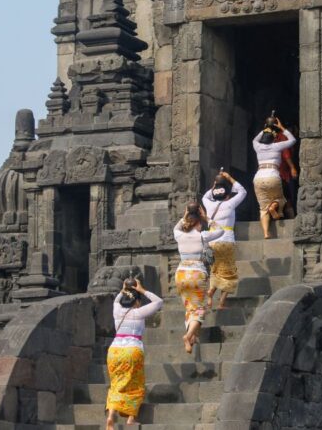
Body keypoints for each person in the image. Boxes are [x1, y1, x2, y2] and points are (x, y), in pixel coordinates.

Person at [105, 278, 163, 429]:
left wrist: (123, 289)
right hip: (132, 350)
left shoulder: (116, 310)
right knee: (135, 384)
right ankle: (130, 418)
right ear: (136, 301)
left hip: (114, 351)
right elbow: (158, 302)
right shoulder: (138, 313)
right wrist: (142, 290)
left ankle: (111, 416)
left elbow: (117, 300)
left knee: (116, 384)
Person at [174, 202, 224, 353]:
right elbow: (221, 231)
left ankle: (192, 339)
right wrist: (207, 218)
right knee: (200, 309)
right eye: (200, 223)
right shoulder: (203, 236)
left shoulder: (179, 235)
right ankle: (188, 335)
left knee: (190, 307)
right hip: (197, 274)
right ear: (198, 223)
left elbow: (176, 227)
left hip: (181, 274)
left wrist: (185, 215)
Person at [202, 170, 247, 310]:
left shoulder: (208, 204)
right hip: (226, 241)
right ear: (227, 195)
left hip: (212, 242)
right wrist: (229, 178)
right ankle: (221, 302)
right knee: (229, 272)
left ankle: (211, 293)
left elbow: (206, 195)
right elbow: (243, 191)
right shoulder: (229, 204)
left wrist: (217, 183)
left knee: (216, 270)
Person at [252, 115, 296, 239]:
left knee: (262, 208)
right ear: (274, 138)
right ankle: (274, 206)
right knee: (281, 199)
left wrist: (266, 127)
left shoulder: (257, 146)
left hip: (258, 177)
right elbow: (292, 140)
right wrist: (281, 128)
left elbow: (255, 139)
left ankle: (266, 233)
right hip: (273, 176)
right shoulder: (277, 146)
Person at [274, 124, 298, 218]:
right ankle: (292, 218)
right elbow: (286, 154)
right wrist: (292, 167)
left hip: (273, 171)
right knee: (288, 196)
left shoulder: (272, 138)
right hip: (283, 172)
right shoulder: (283, 136)